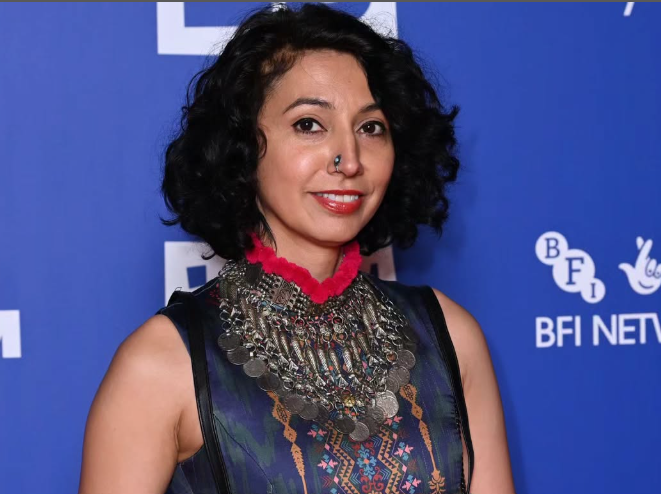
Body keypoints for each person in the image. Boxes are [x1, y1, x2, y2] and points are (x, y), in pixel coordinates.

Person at [78, 3, 515, 494]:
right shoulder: (160, 365)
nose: (349, 159)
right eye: (309, 124)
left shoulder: (450, 336)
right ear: (242, 146)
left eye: (371, 127)